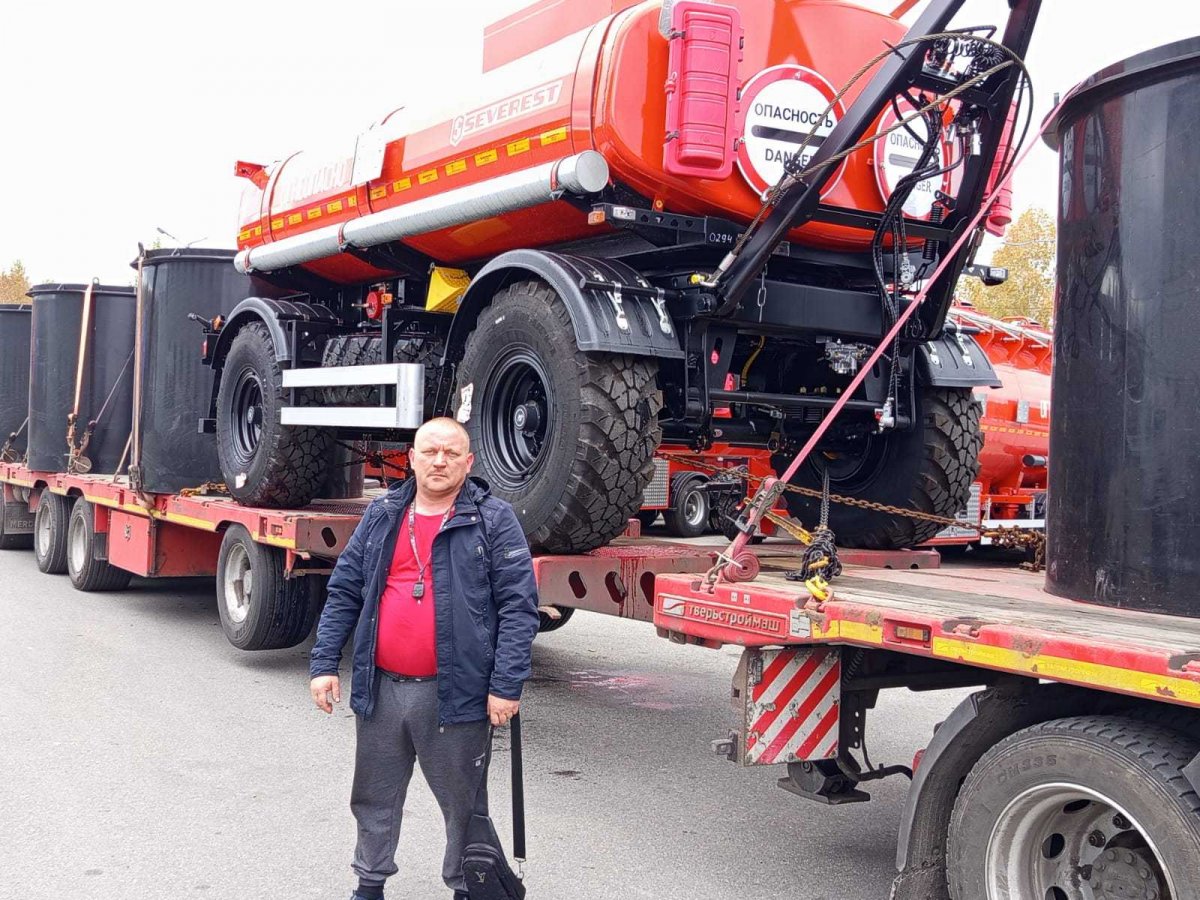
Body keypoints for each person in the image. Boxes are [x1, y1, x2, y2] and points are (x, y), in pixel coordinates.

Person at [309, 417, 540, 900]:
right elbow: (346, 588)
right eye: (430, 451)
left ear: (468, 462)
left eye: (451, 453)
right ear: (411, 458)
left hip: (456, 694)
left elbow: (519, 609)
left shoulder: (493, 519)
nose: (439, 461)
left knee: (464, 805)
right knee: (373, 796)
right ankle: (368, 885)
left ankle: (466, 887)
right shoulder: (383, 514)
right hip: (381, 688)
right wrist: (324, 663)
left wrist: (506, 685)